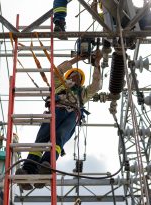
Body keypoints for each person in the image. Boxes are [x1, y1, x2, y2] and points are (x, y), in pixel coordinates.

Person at [15, 50, 103, 190]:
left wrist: (97, 63)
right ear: (69, 76)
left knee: (59, 138)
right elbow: (58, 71)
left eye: (79, 77)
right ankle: (27, 170)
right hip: (55, 110)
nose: (76, 78)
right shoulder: (60, 84)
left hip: (72, 114)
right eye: (74, 75)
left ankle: (45, 167)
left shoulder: (83, 93)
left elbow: (97, 85)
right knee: (41, 139)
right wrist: (77, 59)